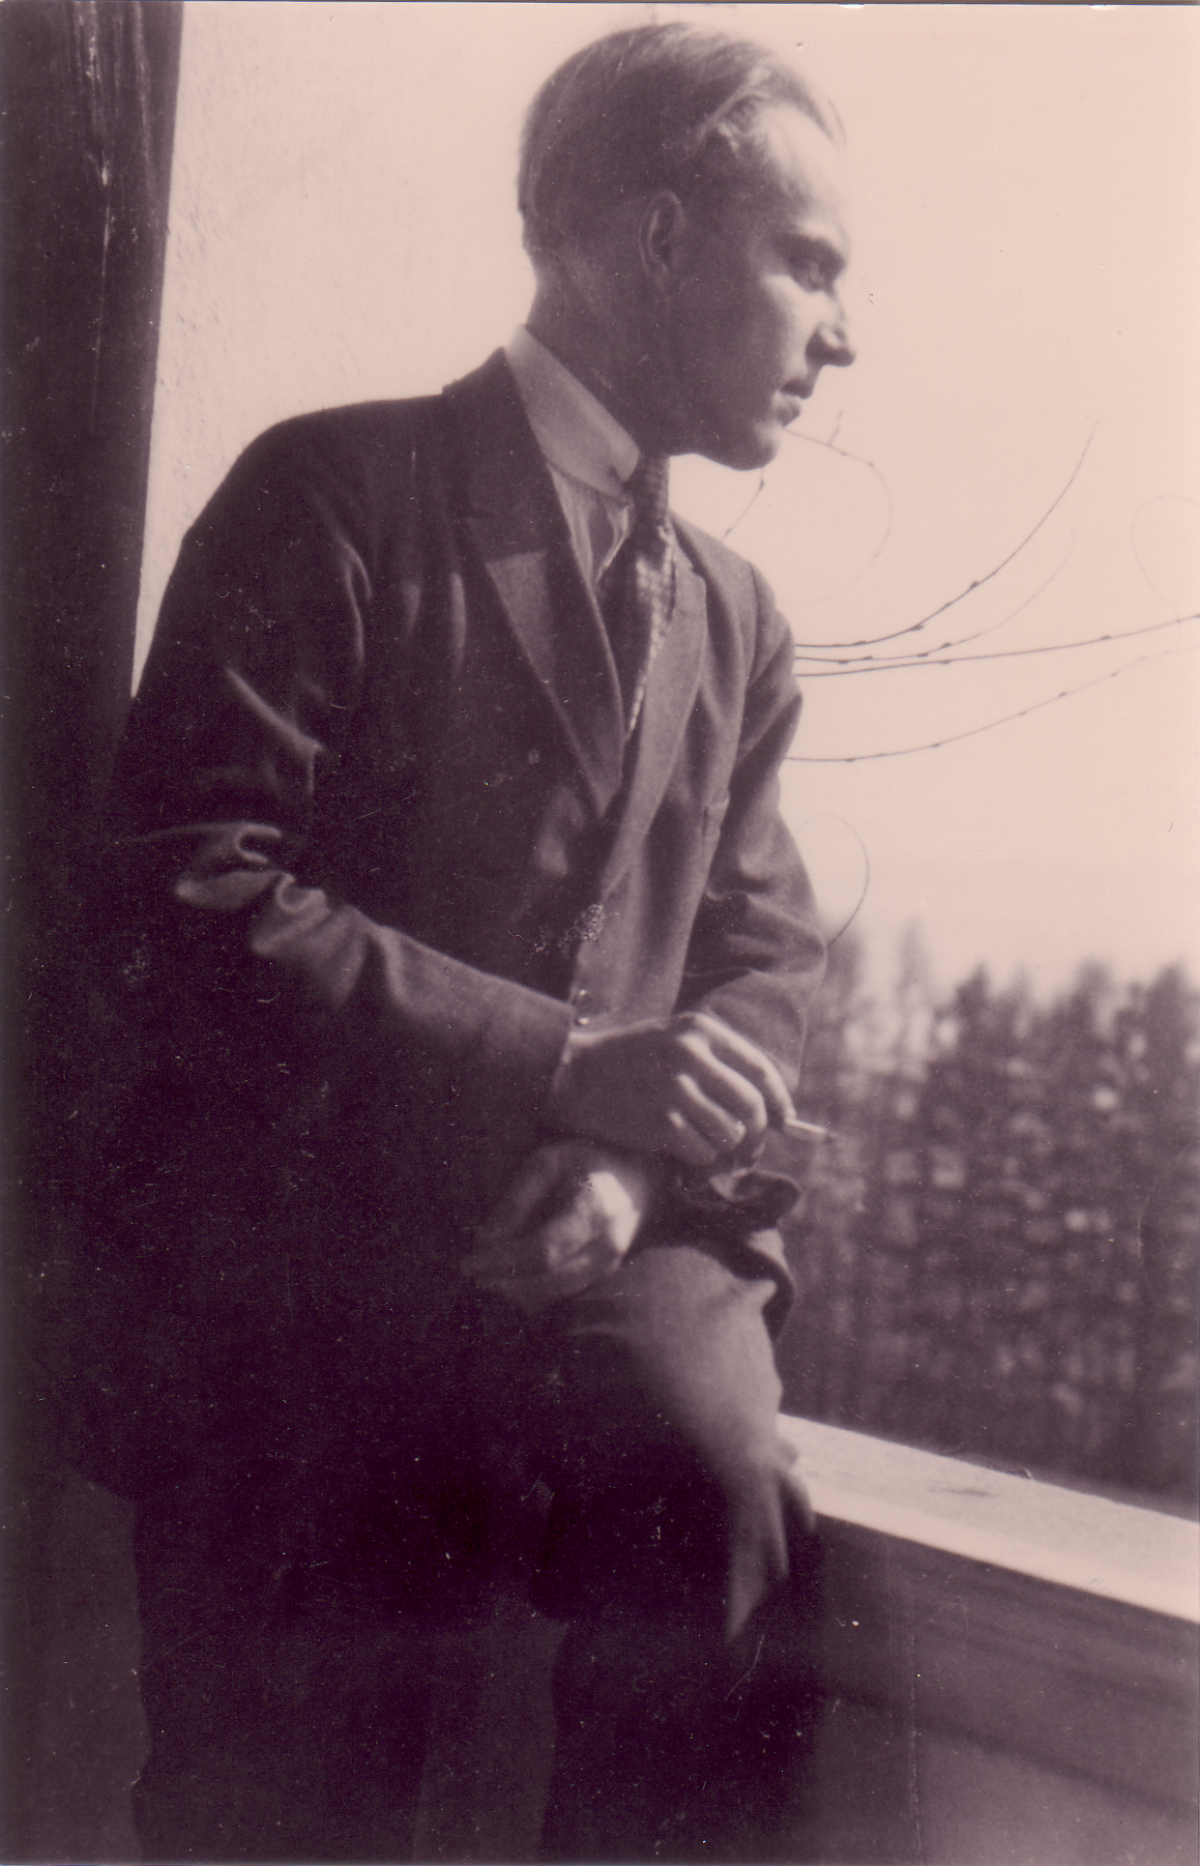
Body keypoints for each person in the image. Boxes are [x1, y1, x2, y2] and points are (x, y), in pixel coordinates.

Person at [69, 20, 855, 1861]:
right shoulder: (335, 495)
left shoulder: (737, 620)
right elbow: (191, 893)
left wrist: (627, 1165)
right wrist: (566, 1067)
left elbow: (769, 957)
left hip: (609, 1266)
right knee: (285, 1807)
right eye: (809, 262)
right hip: (312, 1279)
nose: (842, 335)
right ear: (657, 238)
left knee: (724, 1517)